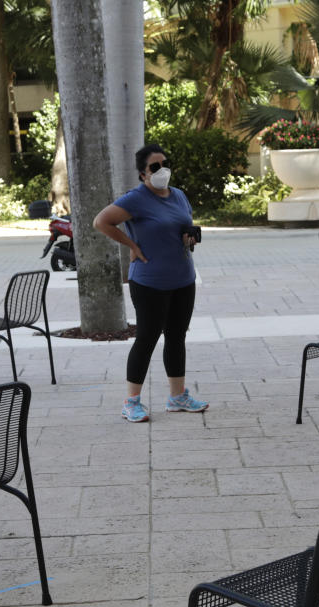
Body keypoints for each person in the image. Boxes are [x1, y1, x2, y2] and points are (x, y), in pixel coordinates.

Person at [94, 143, 208, 422]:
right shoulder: (136, 198)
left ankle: (177, 397)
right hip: (149, 282)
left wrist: (187, 237)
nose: (162, 170)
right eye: (154, 167)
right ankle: (131, 402)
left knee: (176, 336)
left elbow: (178, 227)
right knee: (147, 338)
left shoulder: (179, 195)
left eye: (165, 164)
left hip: (183, 278)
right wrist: (131, 244)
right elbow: (101, 222)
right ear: (143, 174)